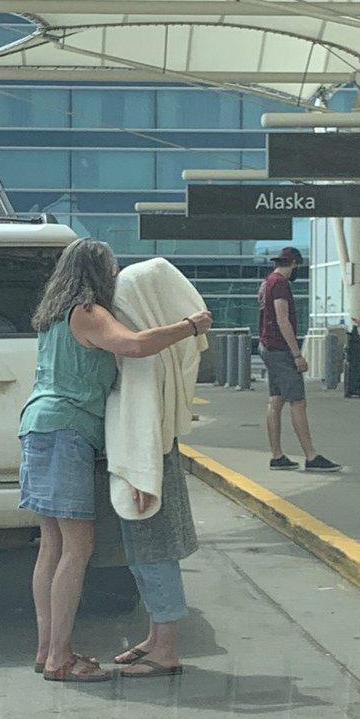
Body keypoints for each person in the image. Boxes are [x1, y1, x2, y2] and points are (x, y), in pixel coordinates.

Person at [18, 238, 212, 683]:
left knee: (51, 546)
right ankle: (60, 660)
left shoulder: (53, 317)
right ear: (98, 273)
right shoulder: (89, 311)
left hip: (37, 427)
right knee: (77, 547)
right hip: (67, 431)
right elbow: (136, 346)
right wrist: (190, 326)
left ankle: (47, 648)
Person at [104, 258, 209, 678]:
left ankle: (165, 648)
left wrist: (143, 477)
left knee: (153, 553)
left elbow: (143, 418)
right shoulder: (159, 351)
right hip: (148, 462)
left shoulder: (144, 357)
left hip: (144, 467)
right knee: (145, 552)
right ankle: (154, 635)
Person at [258, 247, 341, 473]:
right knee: (298, 400)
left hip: (267, 345)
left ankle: (277, 455)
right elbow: (283, 319)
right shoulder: (281, 285)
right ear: (293, 263)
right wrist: (297, 354)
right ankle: (311, 456)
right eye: (298, 267)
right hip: (280, 348)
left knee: (276, 400)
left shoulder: (267, 282)